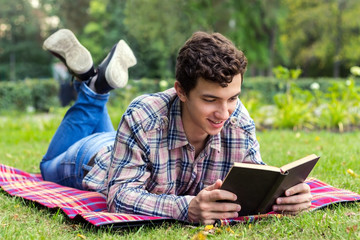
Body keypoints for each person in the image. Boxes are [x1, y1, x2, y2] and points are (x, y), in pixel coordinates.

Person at [40, 29, 312, 225]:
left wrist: (284, 195)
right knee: (47, 165)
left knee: (109, 125)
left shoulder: (237, 117)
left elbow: (255, 176)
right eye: (210, 100)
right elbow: (119, 196)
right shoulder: (143, 116)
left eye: (232, 98)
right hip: (91, 158)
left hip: (127, 146)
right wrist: (187, 208)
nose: (224, 112)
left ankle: (93, 81)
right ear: (180, 91)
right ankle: (95, 88)